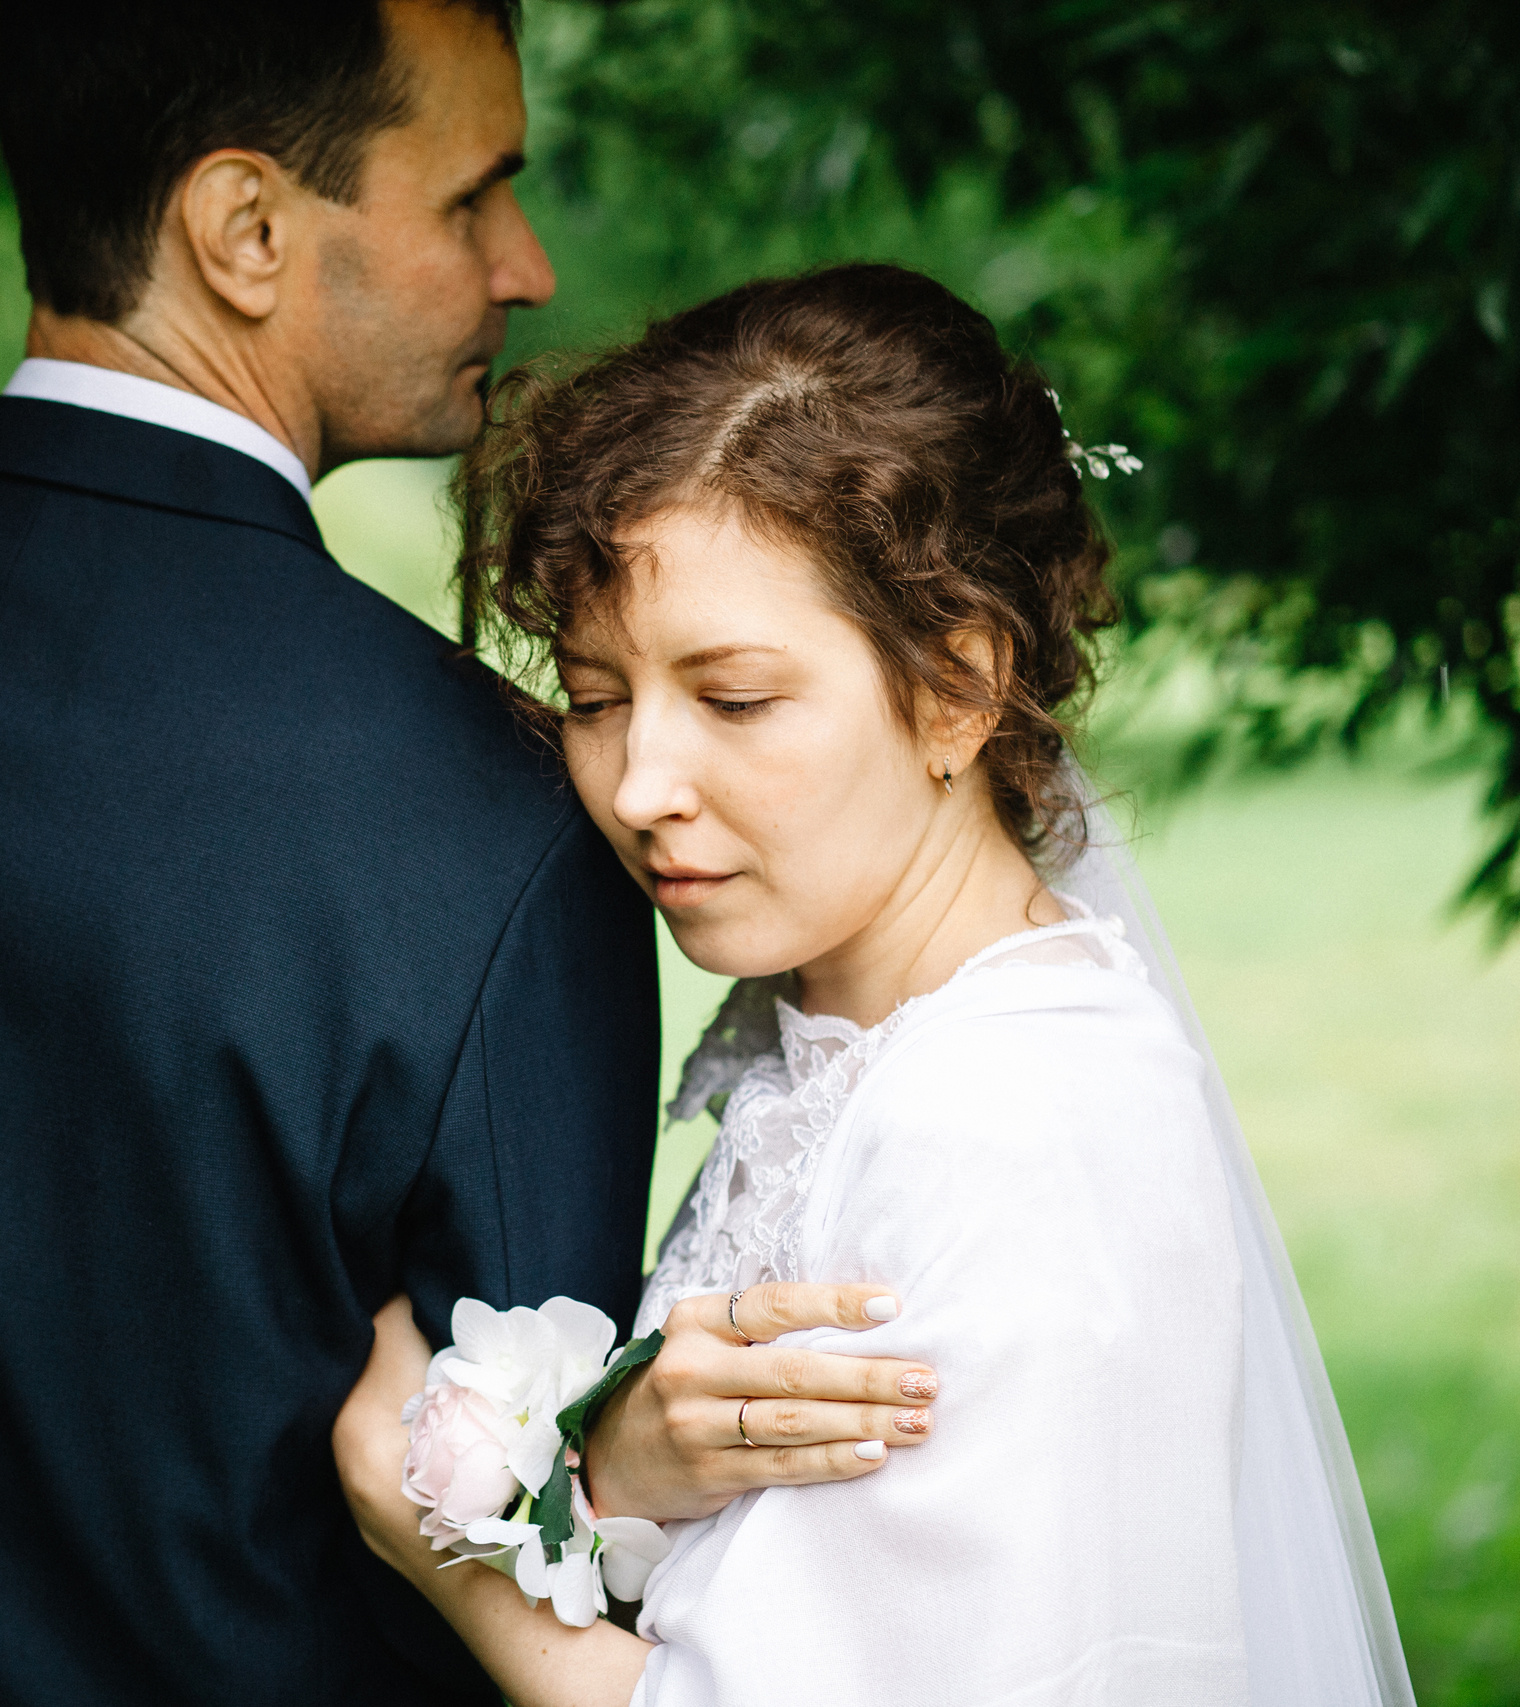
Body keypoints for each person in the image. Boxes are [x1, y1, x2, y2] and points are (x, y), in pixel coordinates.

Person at [0, 5, 921, 1701]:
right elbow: (523, 1507)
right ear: (245, 229)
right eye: (474, 197)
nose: (527, 264)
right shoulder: (489, 803)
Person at [331, 264, 1414, 1706]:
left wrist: (434, 1533)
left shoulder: (1014, 1125)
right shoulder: (846, 1041)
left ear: (958, 688)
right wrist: (613, 1463)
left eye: (733, 700)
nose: (640, 783)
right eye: (595, 698)